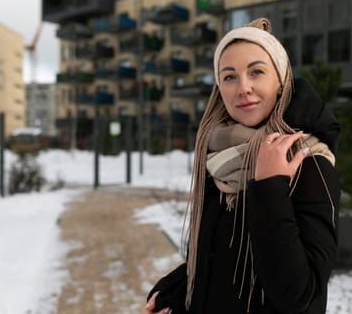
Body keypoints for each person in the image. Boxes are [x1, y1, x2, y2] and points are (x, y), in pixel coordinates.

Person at [143, 17, 341, 314]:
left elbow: (300, 295)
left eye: (256, 72)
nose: (243, 88)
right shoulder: (218, 160)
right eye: (229, 76)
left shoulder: (308, 163)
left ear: (281, 81)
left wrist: (270, 185)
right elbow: (221, 259)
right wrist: (173, 294)